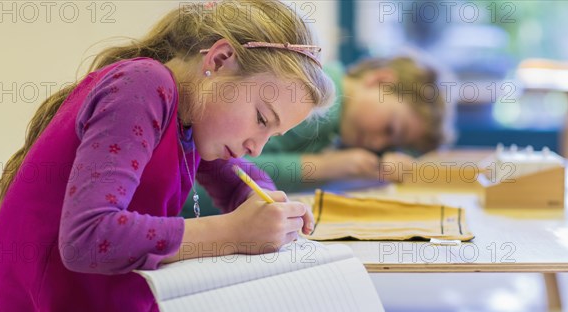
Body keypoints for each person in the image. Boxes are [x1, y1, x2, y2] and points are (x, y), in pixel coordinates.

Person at [0, 0, 335, 312]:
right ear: (219, 60)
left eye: (273, 135)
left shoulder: (189, 116)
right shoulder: (143, 84)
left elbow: (238, 182)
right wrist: (234, 232)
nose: (257, 145)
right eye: (262, 119)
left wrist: (267, 198)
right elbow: (88, 238)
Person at [183, 54, 455, 217]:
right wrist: (328, 168)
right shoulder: (320, 105)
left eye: (393, 145)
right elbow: (227, 172)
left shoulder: (337, 124)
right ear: (380, 81)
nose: (378, 144)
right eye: (390, 129)